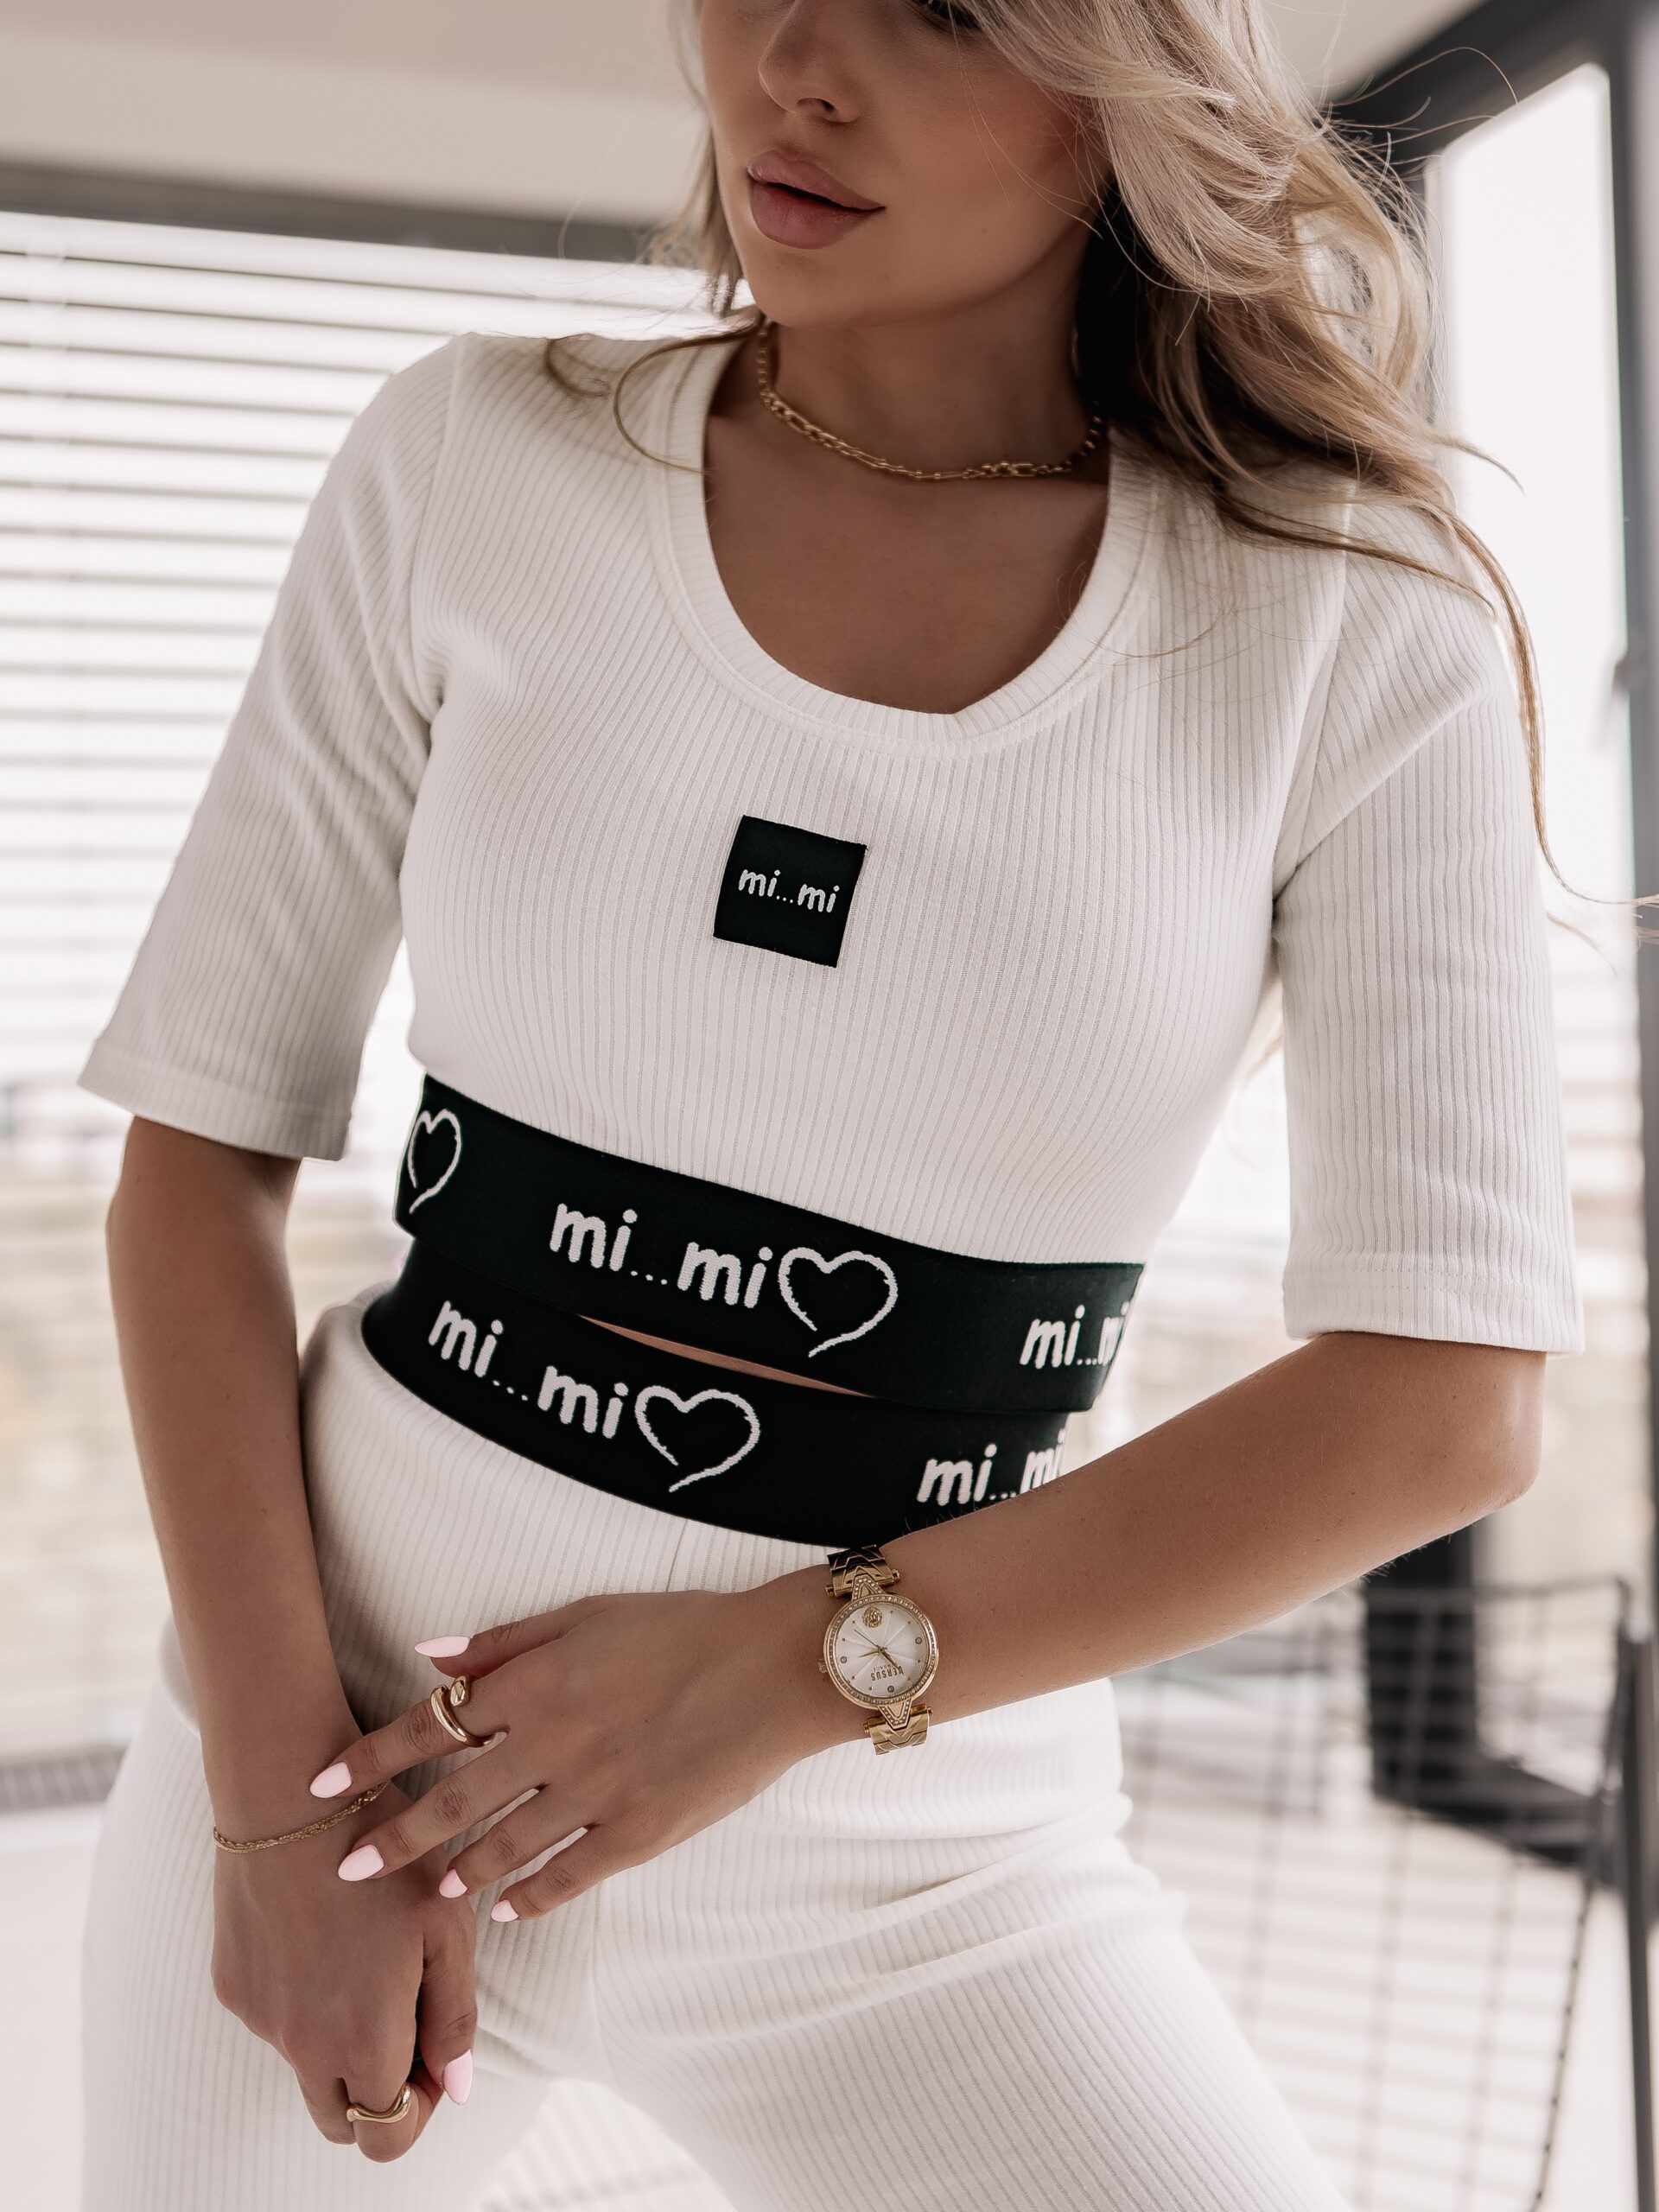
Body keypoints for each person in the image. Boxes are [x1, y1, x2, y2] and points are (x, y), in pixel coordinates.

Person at [74, 1, 1586, 2207]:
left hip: (919, 1872)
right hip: (357, 1769)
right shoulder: (476, 459)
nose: (796, 58)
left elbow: (1443, 1398)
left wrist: (787, 1669)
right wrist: (269, 1811)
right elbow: (197, 1161)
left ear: (1130, 81)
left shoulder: (1351, 625)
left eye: (942, 8)